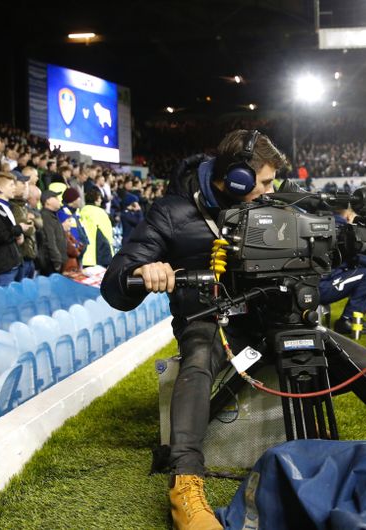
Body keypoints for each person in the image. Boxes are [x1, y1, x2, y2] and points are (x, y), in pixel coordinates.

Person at [101, 130, 287, 530]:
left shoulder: (270, 205)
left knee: (360, 365)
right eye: (266, 182)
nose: (272, 192)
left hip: (267, 319)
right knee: (199, 355)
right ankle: (185, 482)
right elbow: (114, 284)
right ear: (237, 178)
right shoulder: (172, 212)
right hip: (208, 320)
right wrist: (143, 270)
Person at [0, 172, 29, 286]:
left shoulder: (7, 207)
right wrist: (19, 229)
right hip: (3, 267)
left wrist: (18, 235)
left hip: (14, 263)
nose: (15, 188)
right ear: (0, 188)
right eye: (11, 185)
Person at [78, 188, 114, 268]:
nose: (101, 200)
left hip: (85, 255)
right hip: (100, 254)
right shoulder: (100, 212)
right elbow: (107, 233)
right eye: (99, 198)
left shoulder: (81, 211)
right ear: (96, 199)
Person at [36, 190, 68, 276]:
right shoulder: (46, 216)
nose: (58, 200)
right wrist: (57, 261)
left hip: (56, 263)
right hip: (51, 264)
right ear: (48, 201)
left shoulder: (52, 215)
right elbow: (50, 241)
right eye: (55, 198)